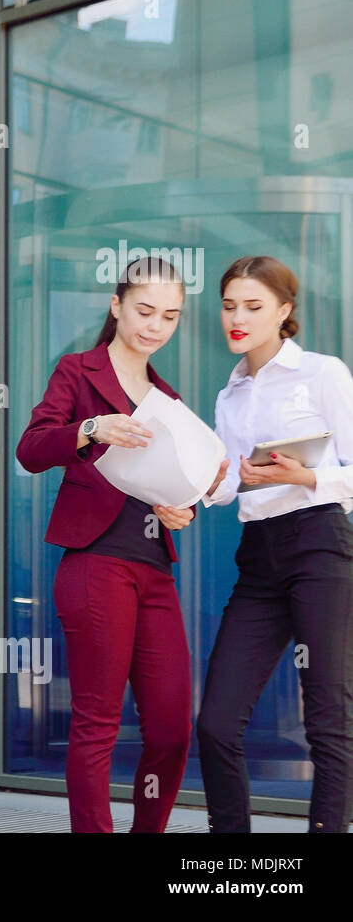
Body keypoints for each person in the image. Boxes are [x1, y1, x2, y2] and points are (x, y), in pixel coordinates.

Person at [15, 257, 199, 833]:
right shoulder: (76, 371)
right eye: (145, 310)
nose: (155, 326)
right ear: (116, 305)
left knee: (171, 727)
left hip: (153, 570)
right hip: (94, 565)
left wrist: (180, 509)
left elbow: (177, 481)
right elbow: (31, 448)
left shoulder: (168, 396)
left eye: (170, 316)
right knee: (97, 722)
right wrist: (91, 430)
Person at [197, 255, 353, 833]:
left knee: (329, 719)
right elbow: (229, 479)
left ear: (285, 311)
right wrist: (187, 496)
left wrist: (305, 476)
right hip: (258, 556)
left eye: (253, 307)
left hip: (319, 544)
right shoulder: (229, 393)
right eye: (229, 305)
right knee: (216, 722)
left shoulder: (322, 373)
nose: (237, 317)